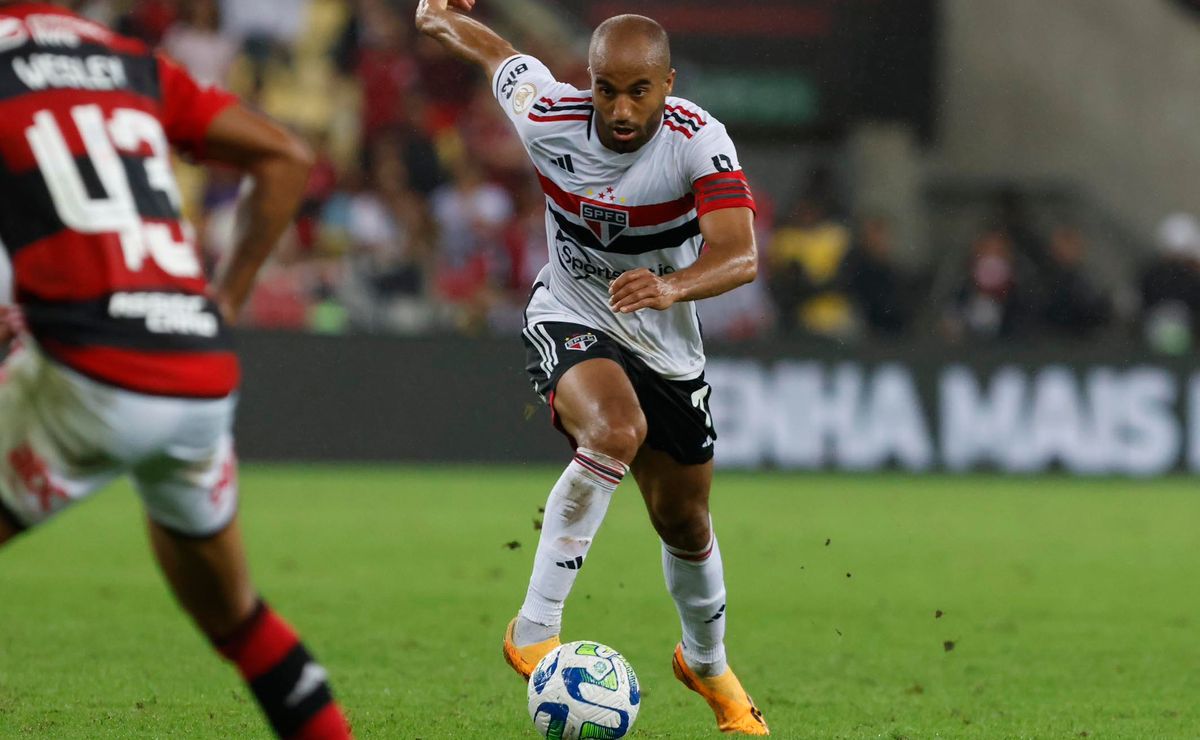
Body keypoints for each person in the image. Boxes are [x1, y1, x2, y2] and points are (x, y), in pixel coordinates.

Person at [416, 1, 769, 734]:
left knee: (686, 521)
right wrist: (433, 14)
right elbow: (494, 53)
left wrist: (670, 285)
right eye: (606, 87)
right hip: (571, 314)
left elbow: (741, 254)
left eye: (639, 89)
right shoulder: (548, 113)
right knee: (614, 430)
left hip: (666, 345)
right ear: (589, 80)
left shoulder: (698, 141)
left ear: (667, 84)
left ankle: (706, 664)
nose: (619, 107)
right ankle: (535, 626)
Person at [0, 4, 351, 738]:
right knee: (239, 622)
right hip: (194, 365)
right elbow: (287, 154)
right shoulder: (126, 60)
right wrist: (222, 300)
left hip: (88, 369)